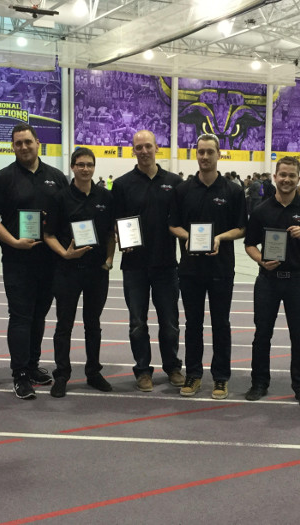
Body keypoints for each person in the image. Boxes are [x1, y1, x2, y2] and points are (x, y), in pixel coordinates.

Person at [0, 124, 68, 400]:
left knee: (39, 316)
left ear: (37, 143)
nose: (23, 147)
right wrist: (13, 241)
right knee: (20, 317)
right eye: (18, 143)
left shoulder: (56, 177)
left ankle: (32, 365)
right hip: (17, 260)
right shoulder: (2, 178)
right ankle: (19, 374)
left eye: (28, 142)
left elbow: (67, 214)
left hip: (49, 261)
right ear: (13, 146)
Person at [169, 133, 246, 399]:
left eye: (209, 152)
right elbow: (173, 225)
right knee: (193, 324)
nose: (204, 156)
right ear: (196, 154)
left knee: (221, 324)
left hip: (221, 269)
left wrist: (220, 238)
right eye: (200, 152)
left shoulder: (233, 190)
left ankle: (221, 377)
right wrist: (188, 237)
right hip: (190, 269)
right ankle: (193, 374)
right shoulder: (183, 190)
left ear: (218, 154)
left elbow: (241, 228)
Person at [244, 157, 300, 405]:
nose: (287, 179)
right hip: (267, 281)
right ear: (275, 177)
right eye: (283, 175)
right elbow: (249, 244)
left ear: (298, 178)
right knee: (262, 334)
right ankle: (259, 383)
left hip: (297, 281)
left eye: (291, 175)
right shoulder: (261, 210)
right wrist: (261, 260)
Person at [111, 130, 184, 392]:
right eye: (139, 147)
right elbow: (115, 222)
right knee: (137, 324)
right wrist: (120, 237)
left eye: (148, 146)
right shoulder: (122, 184)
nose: (144, 151)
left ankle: (173, 367)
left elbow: (181, 221)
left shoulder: (174, 182)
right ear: (133, 150)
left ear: (157, 148)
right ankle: (142, 370)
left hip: (166, 265)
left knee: (170, 323)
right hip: (134, 266)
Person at [44, 148, 116, 398]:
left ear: (94, 167)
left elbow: (111, 234)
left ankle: (93, 372)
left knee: (93, 325)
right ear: (72, 167)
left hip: (97, 272)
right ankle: (62, 375)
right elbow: (48, 235)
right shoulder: (60, 198)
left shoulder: (106, 197)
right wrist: (64, 254)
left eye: (89, 165)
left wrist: (109, 260)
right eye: (80, 164)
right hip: (68, 271)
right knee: (64, 325)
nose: (85, 169)